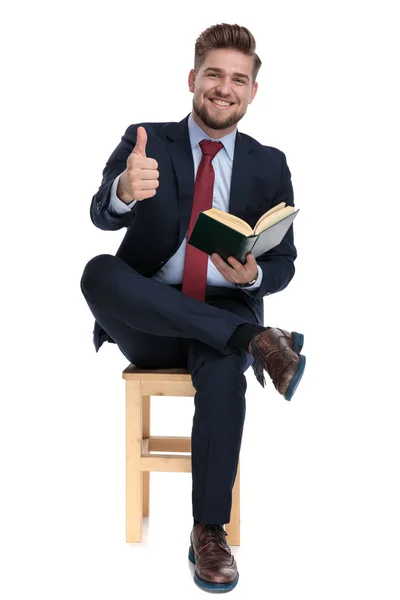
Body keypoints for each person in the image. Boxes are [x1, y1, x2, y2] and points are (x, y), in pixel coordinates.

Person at [80, 22, 306, 593]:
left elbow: (286, 264)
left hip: (220, 324)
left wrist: (255, 273)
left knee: (226, 366)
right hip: (147, 320)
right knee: (97, 272)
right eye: (213, 74)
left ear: (253, 91)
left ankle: (208, 530)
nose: (224, 88)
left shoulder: (270, 163)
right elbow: (100, 215)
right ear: (192, 79)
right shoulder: (146, 140)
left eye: (238, 79)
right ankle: (255, 340)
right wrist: (123, 191)